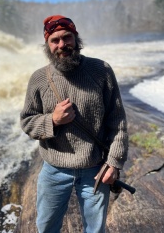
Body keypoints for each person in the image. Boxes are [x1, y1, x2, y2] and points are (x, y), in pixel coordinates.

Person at [20, 15, 128, 233]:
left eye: (67, 37)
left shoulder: (101, 71)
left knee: (95, 230)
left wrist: (114, 162)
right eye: (55, 40)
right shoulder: (39, 79)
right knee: (47, 227)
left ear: (76, 38)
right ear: (47, 45)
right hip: (54, 170)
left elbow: (117, 120)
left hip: (95, 169)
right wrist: (52, 120)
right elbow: (27, 122)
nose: (62, 45)